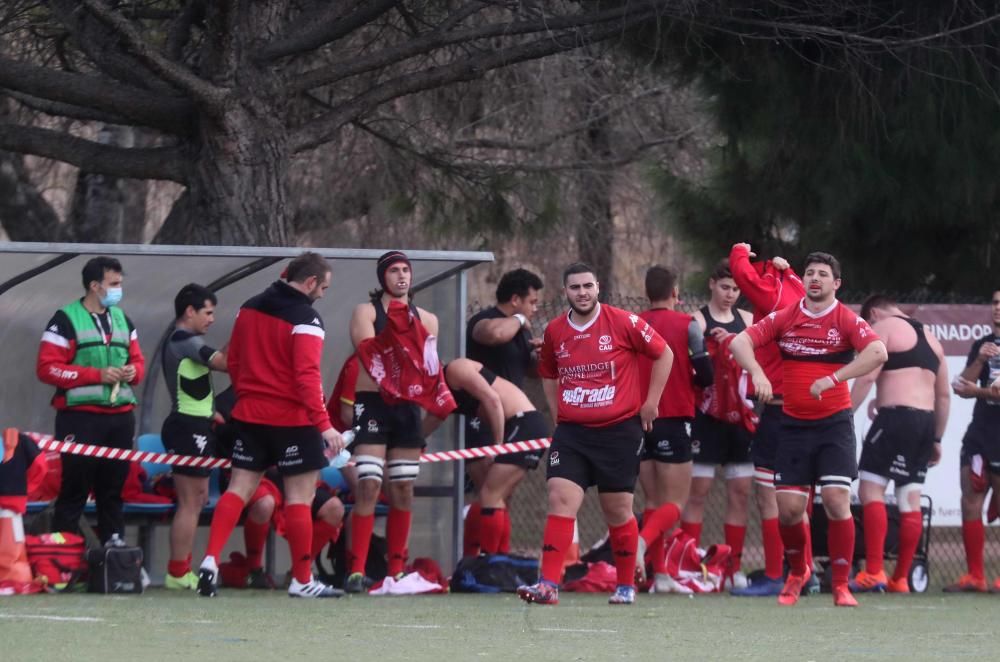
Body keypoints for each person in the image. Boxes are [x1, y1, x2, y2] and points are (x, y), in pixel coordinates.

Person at [729, 251, 887, 607]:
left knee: (835, 501)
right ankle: (799, 571)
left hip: (833, 426)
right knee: (787, 509)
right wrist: (757, 373)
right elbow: (741, 342)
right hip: (793, 424)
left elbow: (877, 353)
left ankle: (842, 585)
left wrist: (834, 378)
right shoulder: (787, 316)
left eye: (822, 274)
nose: (815, 278)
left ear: (836, 284)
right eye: (810, 273)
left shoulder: (845, 318)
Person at [516, 262, 672, 606]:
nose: (582, 293)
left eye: (588, 286)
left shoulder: (622, 321)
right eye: (575, 288)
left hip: (619, 433)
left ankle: (626, 584)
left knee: (618, 510)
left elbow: (665, 354)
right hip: (573, 435)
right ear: (565, 292)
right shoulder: (556, 331)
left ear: (598, 287)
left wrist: (651, 403)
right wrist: (561, 416)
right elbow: (549, 374)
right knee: (559, 497)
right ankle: (548, 585)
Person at [196, 252, 345, 599]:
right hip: (292, 420)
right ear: (309, 283)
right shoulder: (307, 318)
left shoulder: (247, 307)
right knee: (300, 497)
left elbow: (233, 359)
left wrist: (249, 394)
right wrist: (325, 426)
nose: (322, 294)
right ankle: (302, 579)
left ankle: (209, 562)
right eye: (322, 287)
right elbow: (307, 376)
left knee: (238, 490)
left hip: (247, 416)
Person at [346, 250, 440, 593]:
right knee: (368, 484)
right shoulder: (366, 312)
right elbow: (369, 352)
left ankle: (396, 571)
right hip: (373, 403)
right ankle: (355, 570)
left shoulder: (428, 319)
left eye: (406, 270)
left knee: (403, 487)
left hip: (407, 407)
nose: (401, 276)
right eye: (394, 271)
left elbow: (428, 365)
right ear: (382, 277)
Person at [36, 256, 145, 544]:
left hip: (120, 418)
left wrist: (133, 372)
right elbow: (47, 368)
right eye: (114, 284)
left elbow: (139, 362)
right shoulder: (65, 319)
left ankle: (113, 555)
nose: (119, 289)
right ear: (95, 286)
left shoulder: (123, 318)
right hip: (80, 418)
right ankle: (64, 559)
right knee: (74, 489)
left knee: (113, 491)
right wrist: (96, 375)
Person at [847, 296, 948, 593]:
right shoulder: (933, 339)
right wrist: (937, 438)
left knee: (870, 488)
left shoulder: (885, 327)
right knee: (909, 498)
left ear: (874, 313)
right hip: (925, 424)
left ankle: (875, 572)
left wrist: (844, 414)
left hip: (894, 420)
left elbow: (866, 376)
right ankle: (901, 578)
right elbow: (942, 396)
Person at [728, 242, 808, 596]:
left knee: (771, 497)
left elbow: (743, 275)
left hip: (780, 409)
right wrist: (782, 269)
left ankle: (780, 573)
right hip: (804, 410)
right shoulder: (799, 291)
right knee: (800, 499)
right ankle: (805, 573)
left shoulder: (776, 298)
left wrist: (740, 250)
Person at [634, 266, 712, 589]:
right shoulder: (687, 324)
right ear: (676, 293)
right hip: (674, 417)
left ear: (647, 293)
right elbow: (705, 374)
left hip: (638, 421)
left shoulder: (634, 324)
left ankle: (662, 575)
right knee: (675, 503)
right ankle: (638, 546)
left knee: (654, 501)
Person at [425, 358, 549, 555]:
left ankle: (491, 561)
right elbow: (433, 420)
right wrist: (413, 444)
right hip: (518, 426)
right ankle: (498, 560)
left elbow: (492, 400)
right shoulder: (441, 393)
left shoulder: (456, 370)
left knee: (490, 494)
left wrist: (497, 447)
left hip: (524, 424)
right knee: (495, 496)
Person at [679, 261, 755, 585]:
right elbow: (690, 367)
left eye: (736, 289)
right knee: (698, 492)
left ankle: (733, 568)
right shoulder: (697, 320)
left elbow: (756, 358)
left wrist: (735, 341)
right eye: (725, 287)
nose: (730, 295)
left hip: (740, 418)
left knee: (739, 492)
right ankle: (689, 563)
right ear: (712, 284)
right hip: (707, 417)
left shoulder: (748, 320)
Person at [463, 268, 544, 556]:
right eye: (531, 302)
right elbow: (495, 334)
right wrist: (519, 320)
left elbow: (531, 370)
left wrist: (540, 353)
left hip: (513, 419)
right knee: (488, 491)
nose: (535, 309)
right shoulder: (484, 321)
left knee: (500, 495)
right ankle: (480, 559)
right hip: (482, 419)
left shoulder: (521, 331)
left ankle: (498, 559)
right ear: (515, 300)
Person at [161, 284, 228, 590]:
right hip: (185, 427)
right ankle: (177, 572)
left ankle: (182, 568)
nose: (212, 319)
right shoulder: (183, 339)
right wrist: (246, 334)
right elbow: (222, 363)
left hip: (198, 424)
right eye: (208, 312)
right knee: (190, 501)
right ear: (190, 311)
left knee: (199, 498)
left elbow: (197, 383)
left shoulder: (190, 341)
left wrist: (212, 411)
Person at [946, 289, 1000, 592]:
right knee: (970, 499)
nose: (997, 308)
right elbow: (962, 384)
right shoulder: (983, 344)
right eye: (994, 303)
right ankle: (975, 576)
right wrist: (979, 359)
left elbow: (974, 391)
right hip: (980, 433)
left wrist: (977, 392)